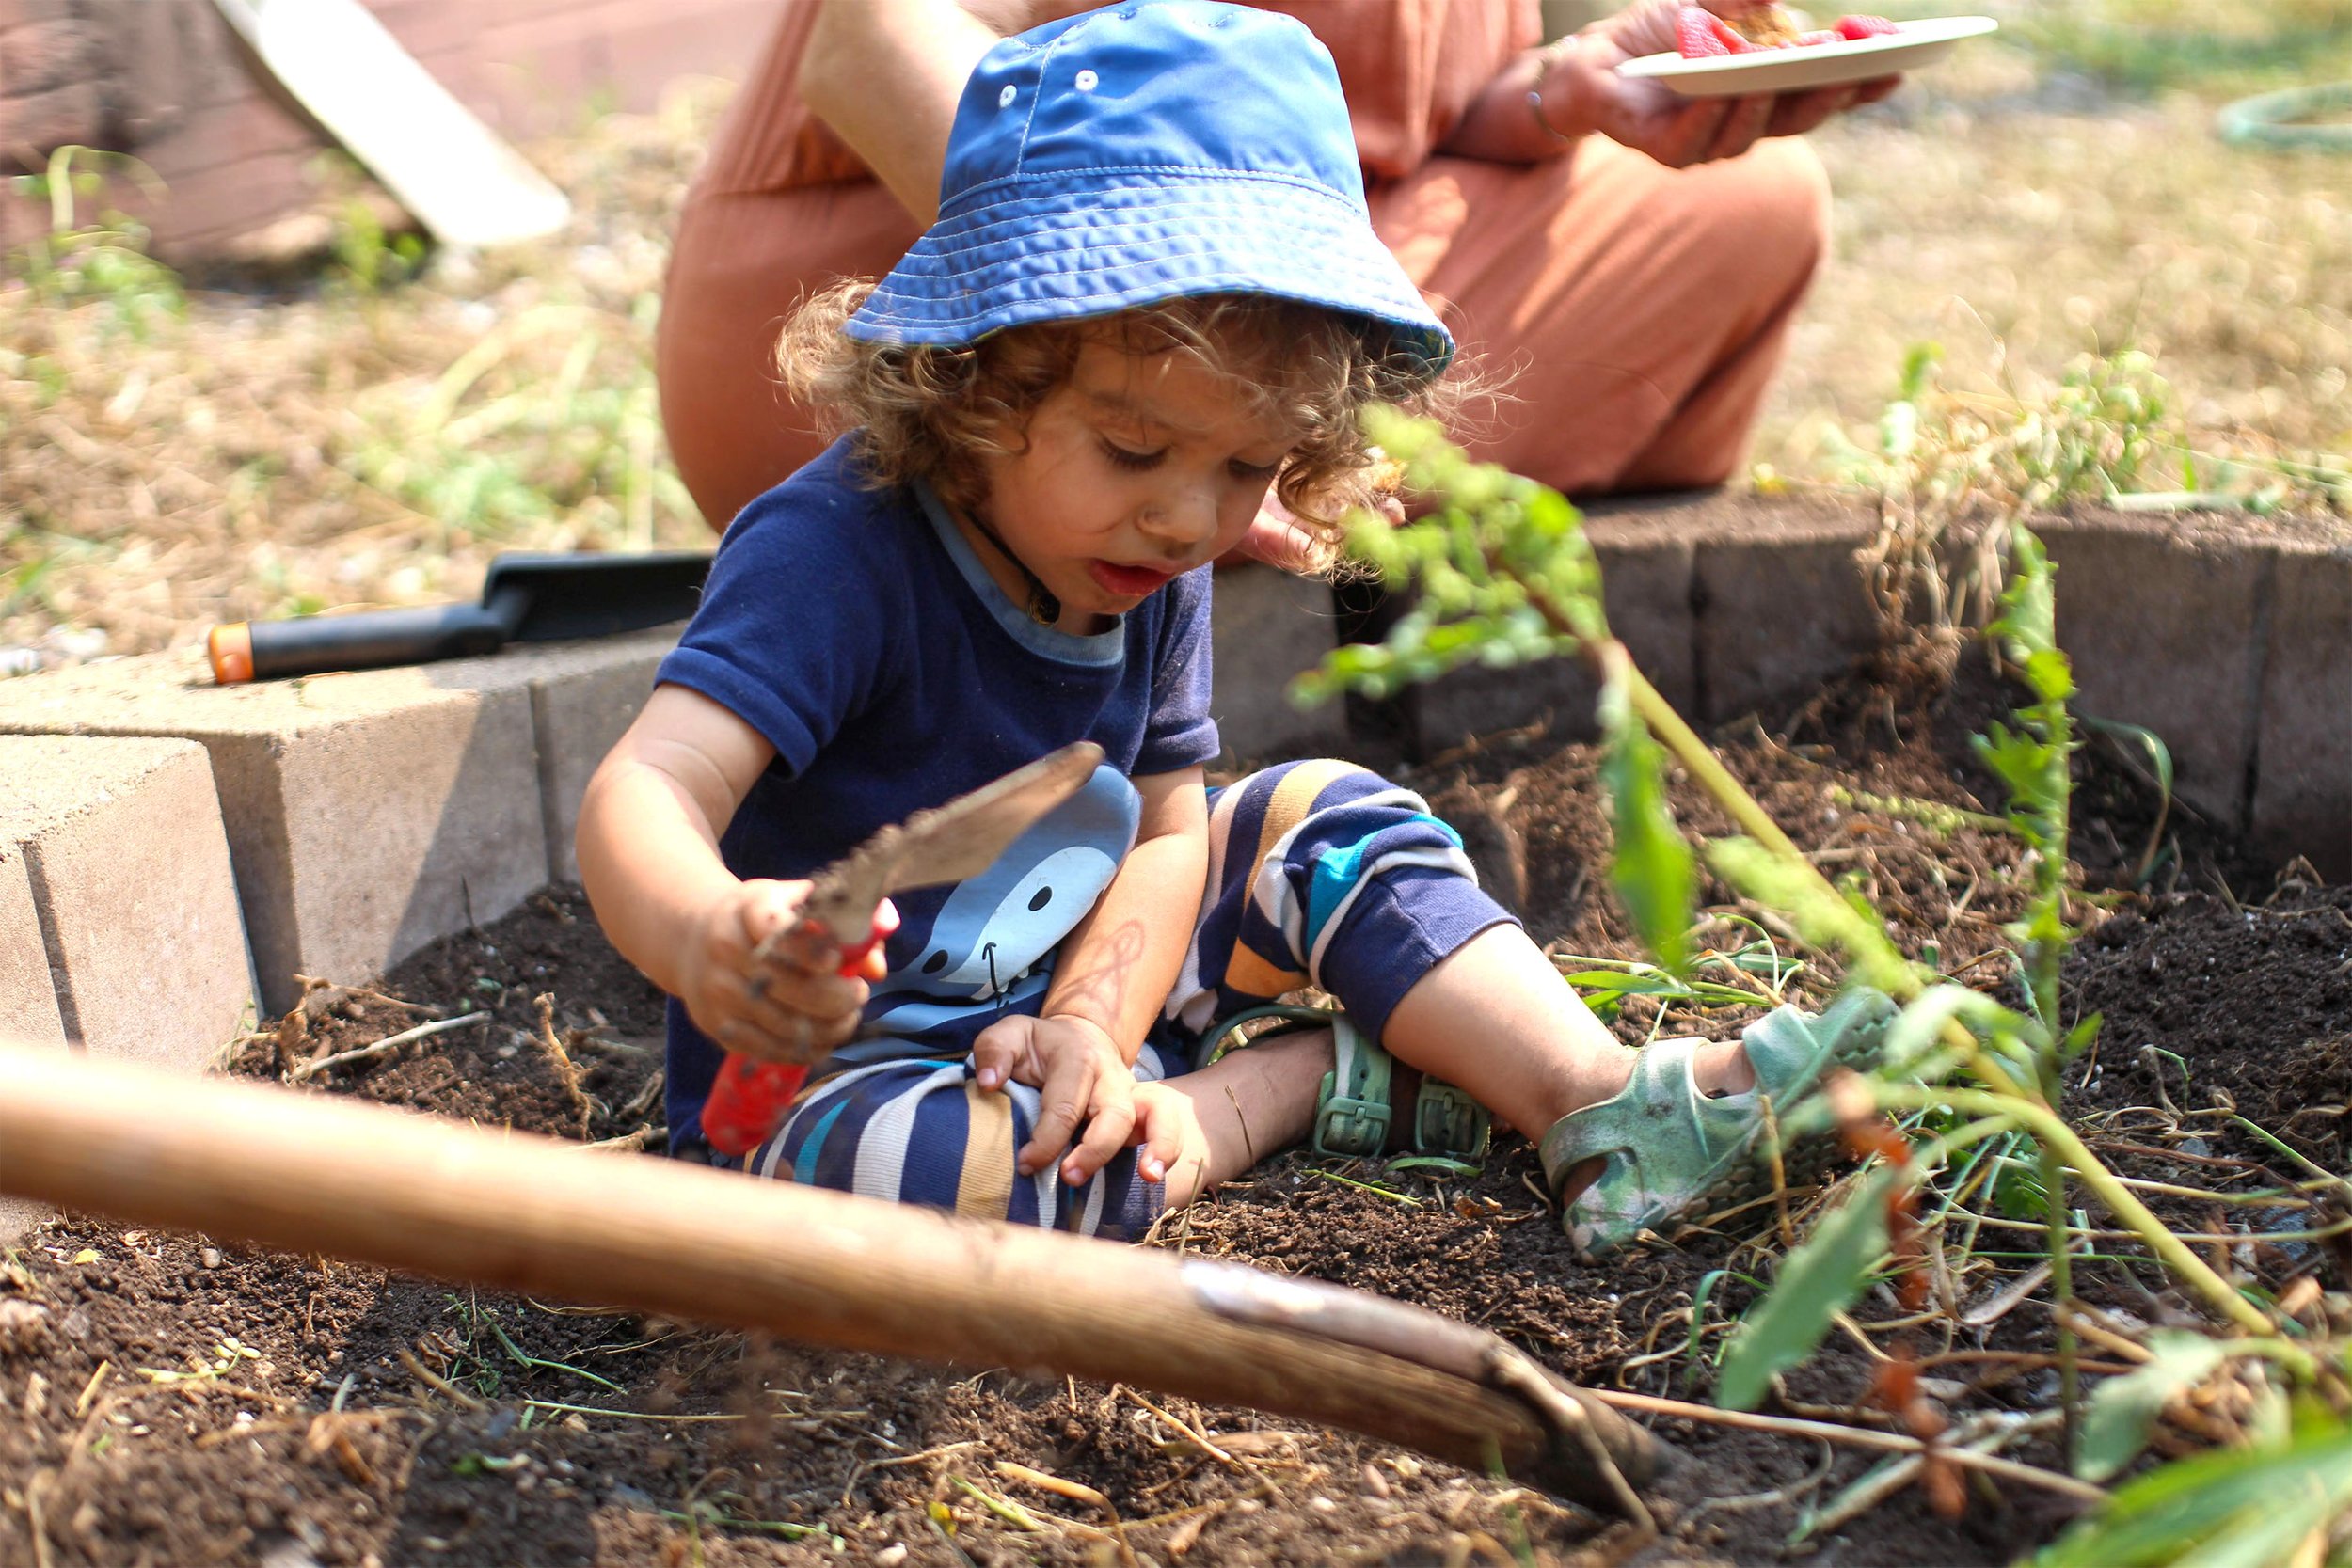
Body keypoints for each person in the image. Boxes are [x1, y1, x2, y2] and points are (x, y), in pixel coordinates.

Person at [579, 0, 1887, 1253]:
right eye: (1133, 447)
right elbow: (651, 784)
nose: (1190, 519)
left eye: (1249, 468)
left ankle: (1596, 1101)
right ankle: (1261, 1099)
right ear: (977, 372)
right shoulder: (835, 552)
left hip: (1083, 989)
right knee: (937, 1183)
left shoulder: (1143, 554)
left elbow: (1165, 830)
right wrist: (708, 934)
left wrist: (1091, 1027)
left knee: (1322, 816)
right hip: (843, 1083)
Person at [654, 0, 1899, 542]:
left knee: (1753, 205)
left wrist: (1561, 93)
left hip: (1263, 280)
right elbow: (869, 44)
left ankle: (1285, 534)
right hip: (936, 321)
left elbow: (1386, 130)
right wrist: (1157, 354)